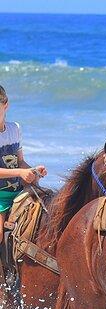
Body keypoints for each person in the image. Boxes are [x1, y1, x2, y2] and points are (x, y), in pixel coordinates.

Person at [0, 85, 47, 244]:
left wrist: (32, 171)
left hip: (17, 190)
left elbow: (20, 161)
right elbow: (18, 169)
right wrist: (20, 173)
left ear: (5, 104)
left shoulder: (15, 128)